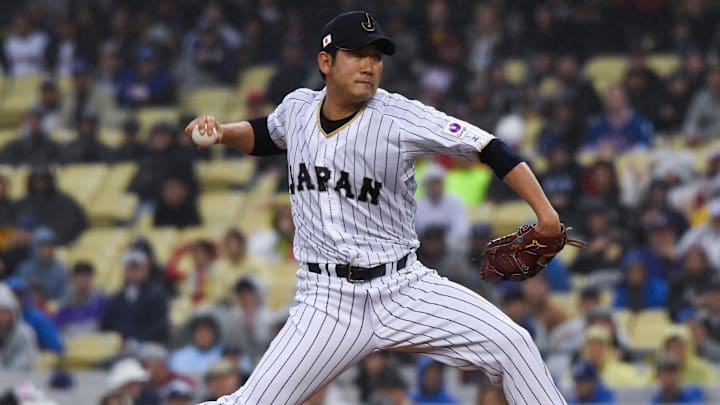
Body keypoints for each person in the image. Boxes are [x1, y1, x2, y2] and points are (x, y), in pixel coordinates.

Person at [189, 11, 570, 404]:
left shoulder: (401, 117)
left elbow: (489, 147)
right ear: (326, 62)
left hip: (403, 287)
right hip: (327, 300)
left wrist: (546, 214)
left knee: (514, 344)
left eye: (376, 57)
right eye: (357, 54)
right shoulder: (298, 109)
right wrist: (221, 133)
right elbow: (264, 134)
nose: (370, 66)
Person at [100, 249, 170, 345]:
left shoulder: (157, 294)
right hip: (119, 347)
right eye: (129, 268)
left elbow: (160, 325)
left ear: (146, 269)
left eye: (136, 268)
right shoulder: (115, 299)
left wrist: (137, 341)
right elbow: (107, 326)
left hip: (149, 345)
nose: (133, 272)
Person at [13, 165, 87, 245]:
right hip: (23, 251)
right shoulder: (21, 204)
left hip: (58, 248)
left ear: (50, 181)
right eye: (36, 181)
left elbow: (75, 227)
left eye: (43, 180)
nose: (39, 184)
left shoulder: (66, 203)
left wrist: (38, 237)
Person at [53, 261, 107, 337]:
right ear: (73, 278)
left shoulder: (101, 301)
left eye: (87, 277)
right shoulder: (65, 303)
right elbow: (58, 326)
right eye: (81, 277)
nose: (84, 281)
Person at [17, 227, 68, 302]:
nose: (46, 250)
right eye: (42, 246)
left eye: (49, 246)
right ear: (34, 247)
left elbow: (65, 293)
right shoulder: (25, 268)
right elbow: (21, 293)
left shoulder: (61, 268)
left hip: (56, 309)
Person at [0, 283, 36, 370]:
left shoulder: (25, 334)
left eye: (4, 311)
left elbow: (24, 363)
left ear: (13, 312)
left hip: (18, 380)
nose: (1, 316)